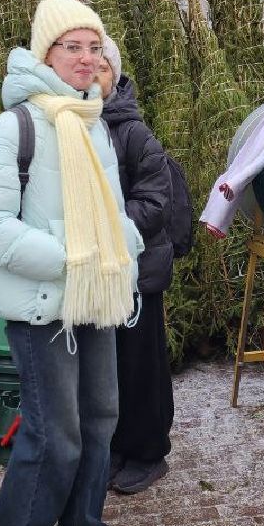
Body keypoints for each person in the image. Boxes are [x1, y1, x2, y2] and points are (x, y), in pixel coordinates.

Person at [0, 0, 144, 526]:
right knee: (54, 433)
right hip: (44, 307)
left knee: (100, 419)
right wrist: (69, 260)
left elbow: (111, 211)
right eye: (72, 47)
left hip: (96, 299)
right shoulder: (14, 126)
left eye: (95, 46)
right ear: (46, 54)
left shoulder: (93, 122)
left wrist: (124, 247)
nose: (86, 58)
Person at [96, 40, 175, 495]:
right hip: (100, 271)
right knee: (109, 365)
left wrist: (106, 227)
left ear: (116, 75)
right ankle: (116, 446)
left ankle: (148, 452)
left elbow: (155, 202)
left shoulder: (134, 134)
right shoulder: (75, 127)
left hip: (138, 269)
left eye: (103, 66)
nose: (94, 74)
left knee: (141, 363)